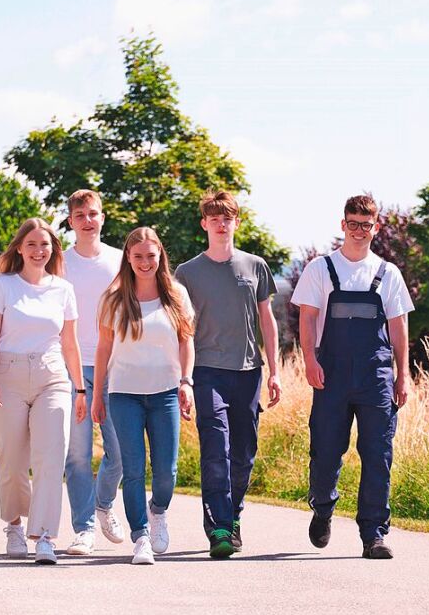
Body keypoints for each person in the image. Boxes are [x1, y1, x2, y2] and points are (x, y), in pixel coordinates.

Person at [290, 194, 414, 559]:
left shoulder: (387, 273)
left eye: (366, 225)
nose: (359, 231)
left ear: (375, 228)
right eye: (353, 223)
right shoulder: (320, 269)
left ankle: (373, 534)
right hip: (331, 375)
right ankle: (323, 505)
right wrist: (310, 360)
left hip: (376, 377)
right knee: (326, 452)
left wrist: (402, 375)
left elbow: (399, 327)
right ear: (342, 225)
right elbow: (308, 318)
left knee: (378, 454)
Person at [174, 191, 281, 559]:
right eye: (214, 218)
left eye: (227, 218)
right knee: (216, 448)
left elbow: (267, 321)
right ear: (204, 223)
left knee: (244, 452)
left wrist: (275, 373)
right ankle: (219, 527)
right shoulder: (186, 273)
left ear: (237, 222)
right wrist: (183, 380)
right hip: (206, 372)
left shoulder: (255, 266)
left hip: (249, 372)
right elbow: (181, 330)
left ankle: (233, 515)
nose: (221, 224)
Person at [0, 218, 88, 565]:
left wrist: (81, 388)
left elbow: (70, 343)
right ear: (19, 249)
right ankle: (13, 525)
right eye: (32, 245)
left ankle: (44, 536)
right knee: (12, 459)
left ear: (53, 249)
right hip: (7, 375)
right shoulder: (3, 286)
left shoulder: (63, 289)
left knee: (50, 457)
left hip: (52, 375)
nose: (39, 251)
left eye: (45, 245)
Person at [92, 227, 195, 565]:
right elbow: (104, 347)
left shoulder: (176, 295)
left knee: (166, 471)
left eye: (151, 255)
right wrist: (96, 396)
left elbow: (185, 341)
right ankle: (141, 538)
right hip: (124, 395)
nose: (145, 262)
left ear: (160, 256)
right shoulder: (113, 298)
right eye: (138, 256)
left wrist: (186, 382)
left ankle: (158, 511)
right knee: (133, 469)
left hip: (165, 392)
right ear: (128, 259)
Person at [62, 190, 126, 556]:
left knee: (121, 454)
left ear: (103, 218)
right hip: (73, 369)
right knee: (78, 455)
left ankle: (103, 504)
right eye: (80, 214)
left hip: (115, 368)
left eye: (94, 214)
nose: (88, 220)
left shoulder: (120, 262)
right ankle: (83, 528)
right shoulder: (60, 263)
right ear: (71, 221)